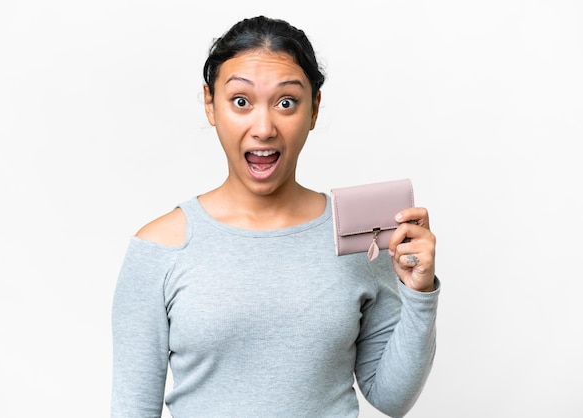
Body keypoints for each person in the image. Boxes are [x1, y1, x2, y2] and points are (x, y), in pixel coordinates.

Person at [111, 15, 440, 418]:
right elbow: (132, 409)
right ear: (210, 105)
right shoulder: (160, 248)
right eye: (241, 101)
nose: (263, 128)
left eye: (286, 102)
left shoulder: (359, 237)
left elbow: (391, 398)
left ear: (314, 109)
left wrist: (419, 293)